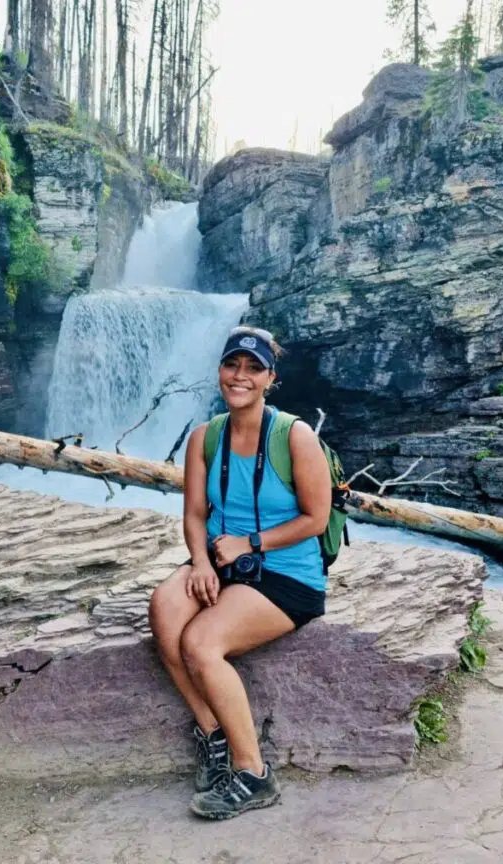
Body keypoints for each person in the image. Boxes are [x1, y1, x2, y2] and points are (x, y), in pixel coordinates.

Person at [147, 325, 332, 820]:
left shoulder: (294, 436)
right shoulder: (205, 437)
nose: (240, 376)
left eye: (253, 368)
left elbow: (316, 519)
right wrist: (201, 561)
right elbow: (194, 514)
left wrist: (249, 543)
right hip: (220, 561)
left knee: (200, 643)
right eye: (232, 365)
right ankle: (214, 735)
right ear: (220, 370)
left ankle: (253, 773)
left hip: (286, 573)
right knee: (165, 609)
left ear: (270, 378)